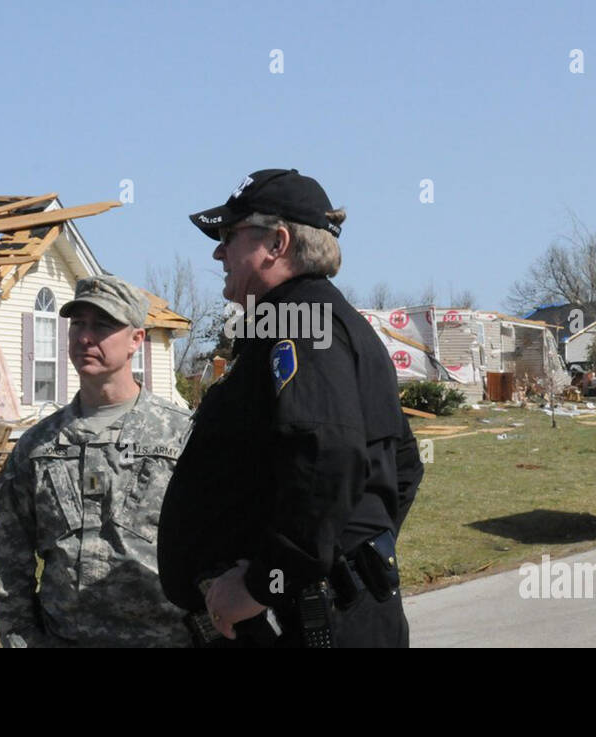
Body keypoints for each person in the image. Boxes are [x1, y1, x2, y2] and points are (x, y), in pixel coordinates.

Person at [157, 169, 423, 648]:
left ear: (278, 243)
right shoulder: (322, 319)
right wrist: (354, 559)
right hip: (331, 616)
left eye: (228, 235)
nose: (218, 251)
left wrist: (267, 582)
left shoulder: (300, 320)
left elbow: (328, 454)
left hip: (306, 624)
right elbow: (402, 465)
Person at [0, 275, 193, 647]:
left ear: (136, 340)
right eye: (78, 324)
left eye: (103, 325)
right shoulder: (38, 446)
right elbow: (8, 557)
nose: (85, 337)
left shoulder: (179, 436)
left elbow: (217, 548)